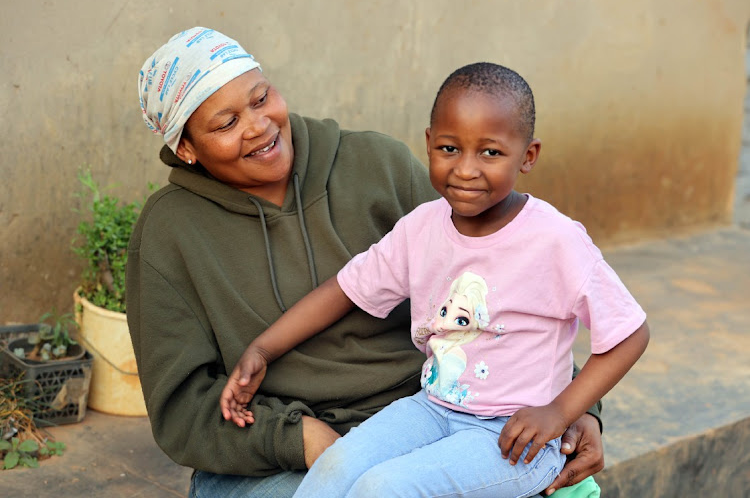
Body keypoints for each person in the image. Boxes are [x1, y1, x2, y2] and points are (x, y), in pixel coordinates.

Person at [130, 27, 606, 498]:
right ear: (186, 148)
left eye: (260, 99)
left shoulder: (374, 164)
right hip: (275, 461)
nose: (258, 126)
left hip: (432, 417)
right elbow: (183, 410)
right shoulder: (169, 233)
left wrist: (578, 408)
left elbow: (514, 285)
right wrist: (298, 438)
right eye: (225, 123)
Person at [221, 62, 650, 498]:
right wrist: (263, 348)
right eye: (449, 148)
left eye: (490, 153)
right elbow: (343, 290)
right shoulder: (421, 227)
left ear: (529, 156)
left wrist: (560, 413)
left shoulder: (555, 240)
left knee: (384, 487)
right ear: (428, 143)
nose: (465, 170)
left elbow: (629, 334)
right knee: (337, 466)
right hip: (433, 408)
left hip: (519, 439)